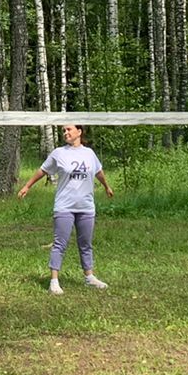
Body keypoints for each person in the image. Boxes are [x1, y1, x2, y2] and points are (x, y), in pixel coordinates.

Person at [17, 123, 116, 294]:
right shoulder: (59, 153)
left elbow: (98, 171)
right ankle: (54, 281)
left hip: (86, 207)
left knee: (85, 244)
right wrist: (27, 186)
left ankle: (89, 277)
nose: (65, 133)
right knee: (60, 243)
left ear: (79, 131)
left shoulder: (89, 153)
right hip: (65, 206)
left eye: (69, 129)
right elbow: (43, 170)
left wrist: (106, 186)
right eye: (63, 130)